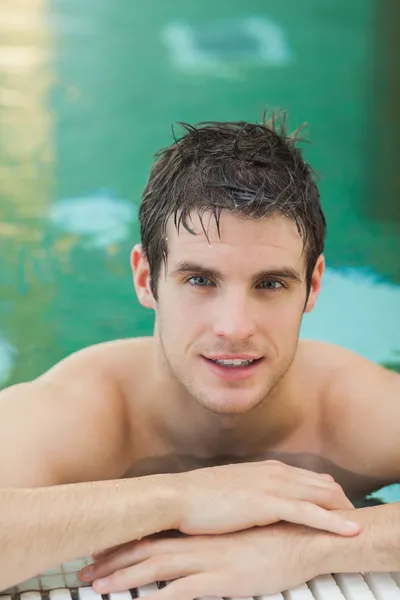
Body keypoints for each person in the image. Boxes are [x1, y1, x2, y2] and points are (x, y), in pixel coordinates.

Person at [0, 118, 399, 599]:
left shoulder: (354, 411)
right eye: (200, 281)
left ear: (313, 286)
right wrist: (182, 497)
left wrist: (306, 548)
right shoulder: (81, 412)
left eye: (270, 284)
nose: (234, 327)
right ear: (146, 279)